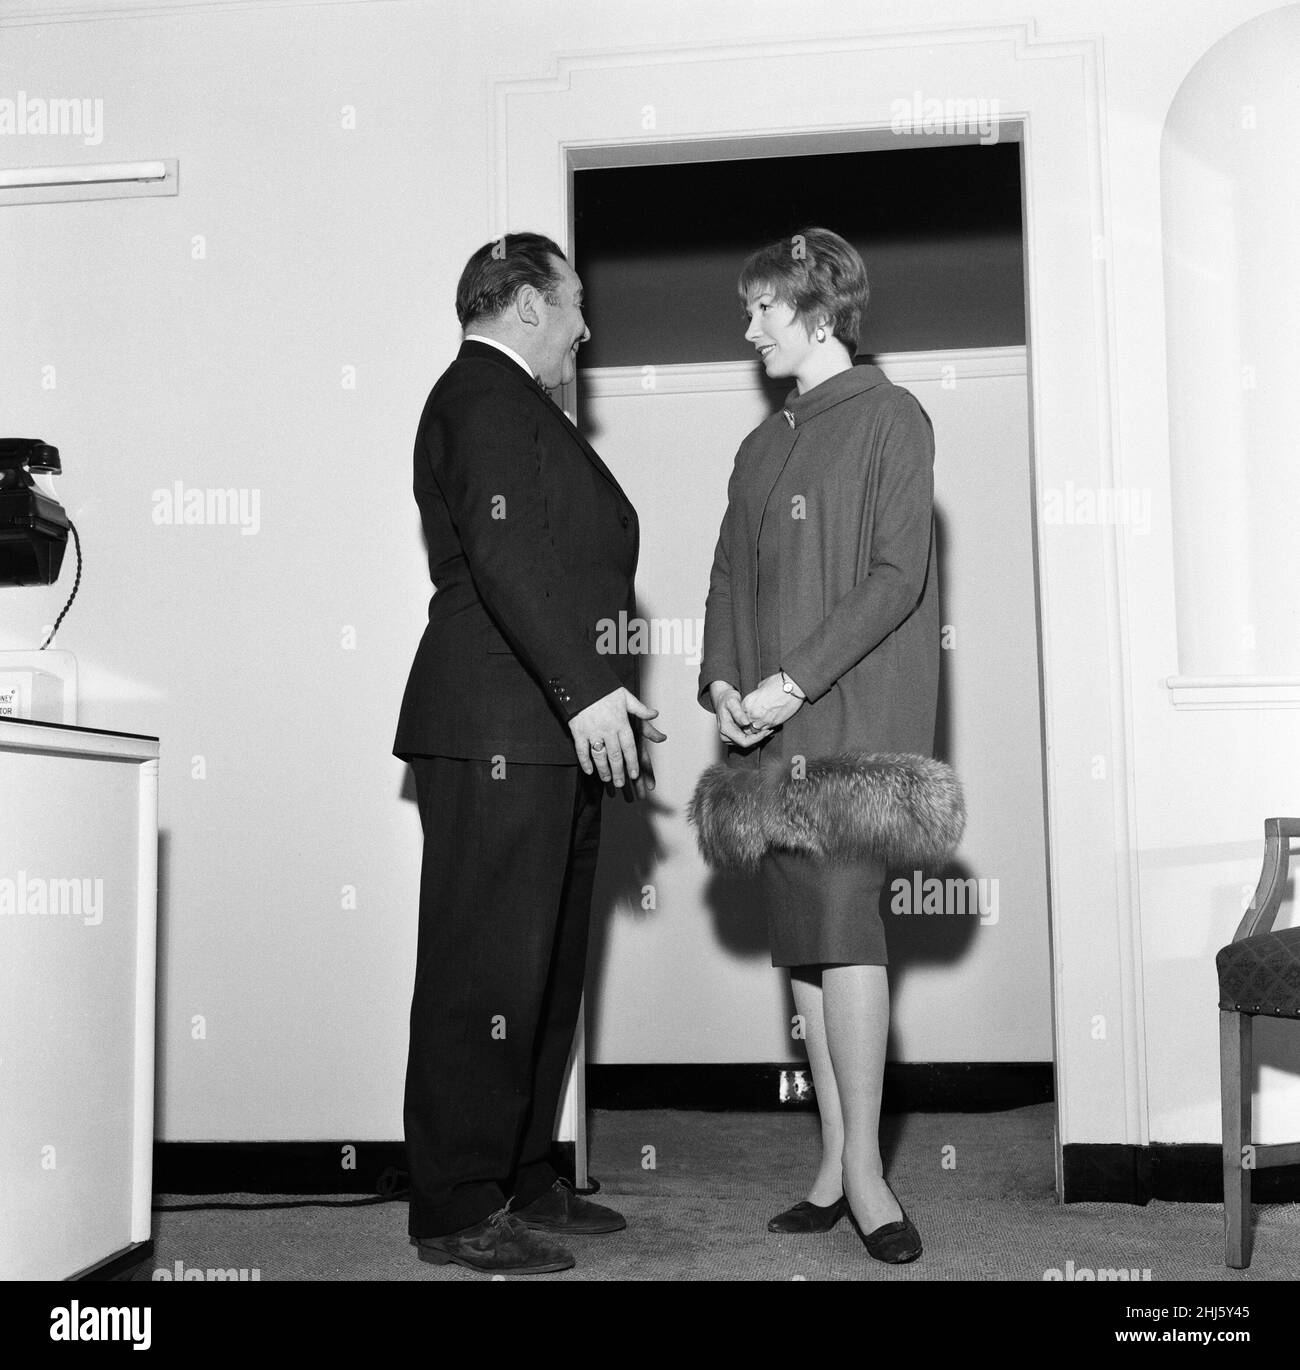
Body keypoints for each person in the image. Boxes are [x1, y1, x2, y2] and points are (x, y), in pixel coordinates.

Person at [394, 232, 664, 1275]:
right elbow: (504, 558)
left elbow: (550, 565)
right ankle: (456, 1203)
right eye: (576, 305)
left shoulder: (516, 408)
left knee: (543, 966)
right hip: (499, 726)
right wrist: (582, 689)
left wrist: (605, 702)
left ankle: (523, 1174)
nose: (588, 328)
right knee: (484, 969)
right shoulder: (481, 396)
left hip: (549, 726)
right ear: (526, 305)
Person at [698, 226, 939, 1264]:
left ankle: (873, 1176)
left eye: (763, 308)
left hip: (850, 721)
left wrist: (790, 680)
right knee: (802, 931)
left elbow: (895, 575)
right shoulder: (761, 444)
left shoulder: (892, 416)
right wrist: (720, 684)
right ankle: (835, 1157)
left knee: (845, 927)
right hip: (762, 730)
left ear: (820, 312)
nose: (748, 327)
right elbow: (722, 580)